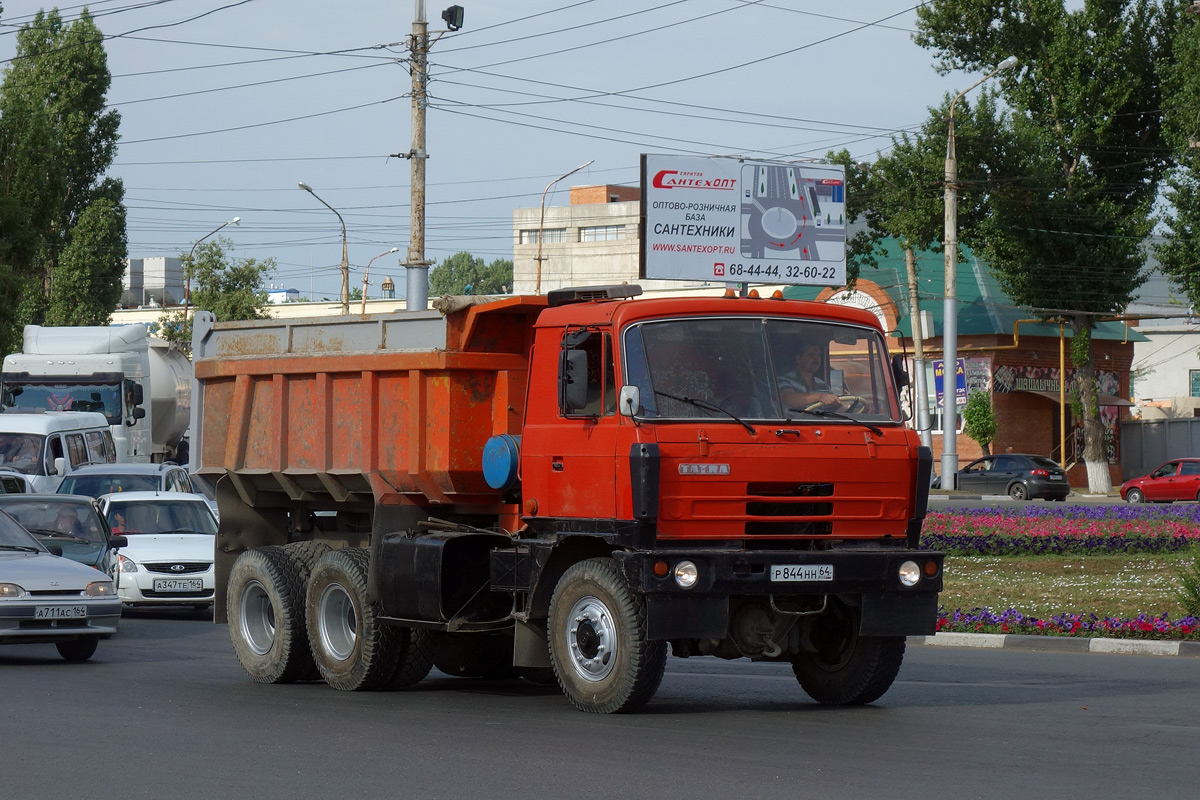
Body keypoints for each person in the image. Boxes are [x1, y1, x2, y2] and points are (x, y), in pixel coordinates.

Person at [777, 342, 840, 411]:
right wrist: (819, 397)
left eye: (818, 355)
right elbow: (788, 398)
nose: (816, 358)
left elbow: (836, 409)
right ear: (799, 359)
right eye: (811, 355)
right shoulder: (783, 380)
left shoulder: (823, 385)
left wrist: (851, 411)